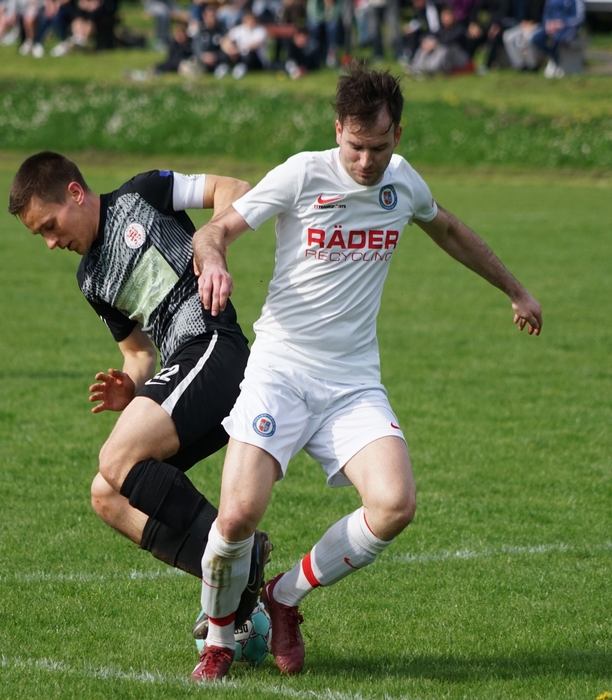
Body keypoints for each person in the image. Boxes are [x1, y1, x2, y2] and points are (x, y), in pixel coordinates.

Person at [189, 68, 543, 681]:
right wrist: (214, 262)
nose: (365, 161)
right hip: (281, 370)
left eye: (378, 147)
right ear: (338, 132)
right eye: (355, 146)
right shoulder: (302, 173)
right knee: (239, 514)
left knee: (394, 504)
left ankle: (283, 597)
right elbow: (214, 229)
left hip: (352, 382)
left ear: (396, 135)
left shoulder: (402, 182)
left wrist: (515, 290)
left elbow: (449, 229)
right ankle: (219, 641)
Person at [8, 151, 272, 632]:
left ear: (75, 193)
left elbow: (235, 188)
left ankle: (236, 561)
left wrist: (211, 246)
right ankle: (238, 585)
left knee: (115, 459)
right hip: (184, 371)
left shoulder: (144, 193)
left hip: (215, 349)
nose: (50, 242)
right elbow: (138, 353)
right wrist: (130, 386)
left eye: (49, 226)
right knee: (106, 495)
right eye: (39, 235)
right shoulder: (91, 279)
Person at [529, 0, 584, 78]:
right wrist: (548, 24)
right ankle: (554, 57)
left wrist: (563, 23)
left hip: (568, 28)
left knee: (558, 39)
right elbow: (546, 14)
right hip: (551, 27)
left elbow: (579, 17)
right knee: (536, 39)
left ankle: (558, 63)